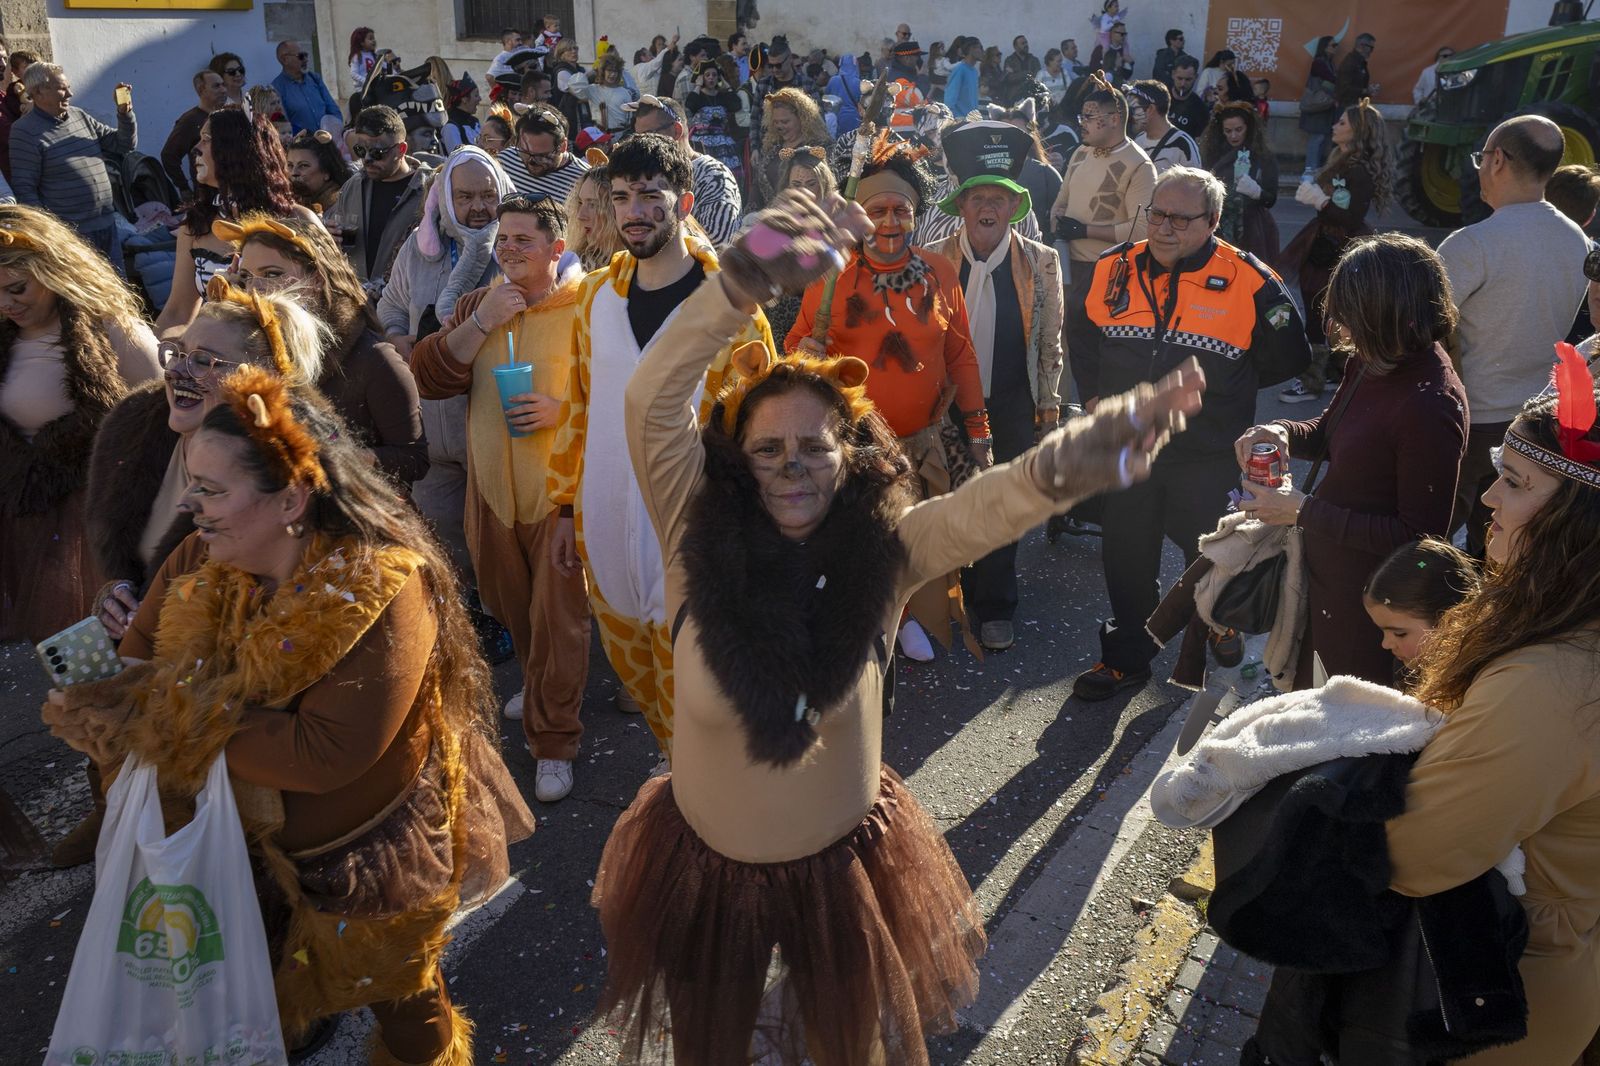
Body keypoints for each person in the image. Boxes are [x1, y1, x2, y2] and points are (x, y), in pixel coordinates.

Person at [593, 182, 1205, 1066]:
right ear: (735, 462)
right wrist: (745, 277)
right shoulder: (694, 529)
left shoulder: (887, 550)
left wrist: (1086, 453)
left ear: (850, 456)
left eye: (815, 446)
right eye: (768, 449)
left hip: (843, 871)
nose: (793, 466)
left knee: (851, 1048)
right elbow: (651, 400)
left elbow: (985, 509)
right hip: (706, 872)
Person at [43, 364, 534, 1066]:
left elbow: (323, 753)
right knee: (260, 994)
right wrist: (100, 708)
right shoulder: (198, 557)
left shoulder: (383, 585)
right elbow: (136, 662)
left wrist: (156, 718)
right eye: (192, 483)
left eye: (212, 489)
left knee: (403, 998)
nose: (190, 504)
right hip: (231, 848)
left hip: (363, 857)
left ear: (292, 499)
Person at [1375, 377, 1600, 1064]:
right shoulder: (1565, 632)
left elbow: (1415, 852)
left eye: (1516, 482)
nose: (1489, 498)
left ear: (1582, 520)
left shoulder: (1555, 682)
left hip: (1501, 998)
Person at [75, 282, 328, 870]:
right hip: (148, 667)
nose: (179, 371)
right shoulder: (135, 425)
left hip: (228, 699)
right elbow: (114, 540)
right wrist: (115, 591)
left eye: (207, 361)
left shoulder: (287, 469)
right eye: (178, 353)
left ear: (262, 381)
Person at [547, 133, 774, 770]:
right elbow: (577, 407)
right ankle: (677, 762)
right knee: (637, 670)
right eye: (621, 197)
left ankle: (705, 782)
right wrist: (564, 509)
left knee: (705, 681)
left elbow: (760, 433)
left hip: (694, 532)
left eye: (651, 195)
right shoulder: (595, 298)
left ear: (685, 201)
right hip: (607, 526)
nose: (634, 211)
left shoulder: (731, 307)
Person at [1074, 168, 1309, 700]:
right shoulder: (1113, 267)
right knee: (1126, 558)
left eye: (1181, 219)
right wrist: (1092, 398)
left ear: (1213, 220)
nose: (1164, 228)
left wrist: (1225, 392)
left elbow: (1289, 355)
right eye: (1156, 214)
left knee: (1210, 555)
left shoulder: (1249, 279)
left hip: (1206, 454)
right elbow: (1082, 336)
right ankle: (1127, 659)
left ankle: (1216, 629)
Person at [410, 196, 591, 803]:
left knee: (559, 620)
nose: (510, 249)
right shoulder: (475, 306)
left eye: (523, 240)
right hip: (489, 494)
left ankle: (554, 740)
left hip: (558, 497)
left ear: (555, 249)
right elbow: (430, 376)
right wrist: (483, 320)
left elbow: (622, 396)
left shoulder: (587, 310)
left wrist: (561, 411)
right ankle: (540, 683)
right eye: (503, 239)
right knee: (513, 608)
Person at [788, 135, 993, 660]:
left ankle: (906, 617)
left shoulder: (940, 272)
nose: (889, 221)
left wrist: (978, 431)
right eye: (876, 210)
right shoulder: (830, 275)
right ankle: (868, 623)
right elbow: (794, 349)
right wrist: (806, 354)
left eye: (900, 210)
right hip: (855, 446)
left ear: (916, 214)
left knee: (913, 540)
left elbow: (961, 356)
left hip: (922, 443)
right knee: (861, 542)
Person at [1236, 233, 1466, 686]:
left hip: (1371, 608)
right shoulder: (1375, 358)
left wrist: (1303, 510)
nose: (1340, 328)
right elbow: (1332, 429)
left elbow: (1419, 538)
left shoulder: (1430, 403)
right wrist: (1282, 430)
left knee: (1340, 715)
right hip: (1328, 582)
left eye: (1350, 317)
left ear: (1386, 315)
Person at [927, 120, 1065, 652]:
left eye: (999, 198)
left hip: (1011, 400)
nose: (988, 207)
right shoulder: (933, 259)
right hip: (945, 405)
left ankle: (996, 604)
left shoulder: (1042, 262)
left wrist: (1048, 410)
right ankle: (948, 593)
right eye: (978, 197)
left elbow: (1050, 344)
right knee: (949, 498)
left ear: (1014, 207)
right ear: (961, 206)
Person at [0, 203, 160, 648]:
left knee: (98, 652)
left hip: (91, 522)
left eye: (17, 288)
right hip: (19, 513)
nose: (6, 304)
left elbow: (162, 420)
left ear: (52, 269)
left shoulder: (113, 329)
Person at [1440, 115, 1590, 558]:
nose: (1480, 168)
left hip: (1467, 420)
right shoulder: (1577, 241)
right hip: (1536, 423)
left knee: (1428, 544)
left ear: (1498, 161)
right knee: (1502, 551)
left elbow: (1420, 328)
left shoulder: (1472, 244)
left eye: (1482, 158)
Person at [378, 147, 512, 584]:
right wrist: (397, 336)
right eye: (465, 196)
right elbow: (391, 304)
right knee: (442, 540)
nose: (479, 208)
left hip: (491, 422)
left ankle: (501, 613)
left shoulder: (515, 246)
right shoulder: (420, 249)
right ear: (444, 198)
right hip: (432, 426)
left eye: (488, 195)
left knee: (501, 541)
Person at [223, 214, 429, 488]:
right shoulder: (245, 347)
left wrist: (332, 458)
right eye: (246, 276)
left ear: (317, 279)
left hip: (350, 506)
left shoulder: (374, 358)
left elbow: (414, 459)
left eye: (272, 274)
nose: (255, 288)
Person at [155, 109, 321, 334]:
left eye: (207, 139)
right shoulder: (195, 224)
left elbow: (333, 299)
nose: (196, 148)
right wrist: (154, 347)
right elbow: (178, 313)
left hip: (292, 344)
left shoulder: (297, 220)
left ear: (237, 149)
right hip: (220, 349)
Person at [1279, 98, 1394, 402]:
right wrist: (1316, 195)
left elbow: (1351, 217)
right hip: (1325, 241)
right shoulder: (1341, 159)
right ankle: (1333, 371)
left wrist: (1320, 201)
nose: (1334, 126)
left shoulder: (1359, 171)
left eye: (1342, 122)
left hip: (1338, 245)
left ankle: (1312, 380)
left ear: (1357, 131)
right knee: (1326, 308)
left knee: (1321, 309)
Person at [1050, 74, 1155, 403]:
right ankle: (1075, 408)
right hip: (1070, 266)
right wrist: (1058, 220)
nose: (1081, 123)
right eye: (1082, 116)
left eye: (1089, 117)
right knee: (1067, 345)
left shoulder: (1139, 165)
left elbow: (1142, 230)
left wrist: (1084, 231)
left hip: (1110, 273)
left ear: (1114, 119)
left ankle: (1103, 411)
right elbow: (1061, 201)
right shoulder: (1081, 153)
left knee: (1100, 351)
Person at [10, 63, 135, 273]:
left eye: (68, 87)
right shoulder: (24, 132)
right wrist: (50, 234)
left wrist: (124, 113)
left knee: (117, 287)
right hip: (72, 235)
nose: (70, 93)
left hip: (106, 224)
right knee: (87, 290)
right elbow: (25, 190)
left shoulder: (79, 116)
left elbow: (123, 144)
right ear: (38, 92)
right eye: (62, 89)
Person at [327, 105, 432, 295]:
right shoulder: (353, 186)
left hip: (404, 301)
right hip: (357, 299)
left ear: (401, 149)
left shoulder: (428, 190)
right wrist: (329, 236)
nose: (367, 159)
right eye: (360, 150)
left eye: (377, 152)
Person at [630, 94, 742, 247]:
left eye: (648, 136)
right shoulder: (651, 175)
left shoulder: (714, 176)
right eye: (637, 138)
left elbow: (717, 245)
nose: (641, 146)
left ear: (677, 131)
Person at [1362, 538, 1478, 678]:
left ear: (1451, 620)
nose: (1385, 644)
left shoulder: (1480, 677)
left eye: (1400, 634)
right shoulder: (1404, 671)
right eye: (1382, 631)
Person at [759, 149, 838, 342]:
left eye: (811, 184)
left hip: (824, 318)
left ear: (824, 184)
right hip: (781, 320)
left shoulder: (838, 221)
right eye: (796, 184)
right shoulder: (775, 220)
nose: (804, 192)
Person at [1201, 101, 1280, 263]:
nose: (1233, 136)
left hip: (1252, 226)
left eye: (1239, 130)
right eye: (1228, 131)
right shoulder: (1213, 154)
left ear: (1248, 128)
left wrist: (1256, 192)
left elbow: (1271, 199)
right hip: (1220, 222)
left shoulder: (1263, 156)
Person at [498, 103, 591, 205]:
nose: (532, 161)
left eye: (541, 155)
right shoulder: (504, 161)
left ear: (563, 146)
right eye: (525, 152)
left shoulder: (585, 179)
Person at [751, 87, 828, 209]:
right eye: (776, 122)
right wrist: (751, 211)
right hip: (769, 216)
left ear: (802, 119)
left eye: (785, 122)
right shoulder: (772, 147)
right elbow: (757, 185)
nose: (779, 126)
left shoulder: (820, 147)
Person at [160, 69, 227, 195]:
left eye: (223, 85)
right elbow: (169, 155)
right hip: (209, 195)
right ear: (202, 90)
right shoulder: (190, 121)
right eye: (216, 86)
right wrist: (184, 187)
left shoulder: (227, 116)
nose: (223, 90)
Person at [683, 59, 746, 184]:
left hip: (722, 143)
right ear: (702, 78)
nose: (711, 78)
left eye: (714, 75)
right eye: (707, 75)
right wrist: (698, 86)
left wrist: (727, 86)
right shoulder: (698, 96)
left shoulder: (722, 96)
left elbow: (736, 105)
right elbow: (690, 105)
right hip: (701, 143)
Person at [1127, 79, 1199, 174]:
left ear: (1150, 109)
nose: (1129, 116)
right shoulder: (1138, 140)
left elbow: (1195, 182)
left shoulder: (1183, 145)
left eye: (1133, 109)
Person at [272, 40, 342, 135]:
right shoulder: (277, 89)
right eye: (301, 56)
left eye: (306, 55)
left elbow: (333, 109)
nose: (306, 60)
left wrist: (336, 131)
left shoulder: (315, 79)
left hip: (328, 139)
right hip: (303, 142)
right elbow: (283, 124)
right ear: (285, 60)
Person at [562, 165, 624, 271]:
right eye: (580, 202)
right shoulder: (571, 265)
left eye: (592, 205)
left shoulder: (638, 267)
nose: (580, 215)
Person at [1298, 36, 1340, 178]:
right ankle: (1309, 170)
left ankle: (1314, 170)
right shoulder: (1319, 63)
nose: (1335, 48)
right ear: (1324, 47)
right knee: (1317, 139)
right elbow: (1331, 80)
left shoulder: (1329, 63)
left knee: (1321, 139)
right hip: (1317, 107)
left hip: (1323, 107)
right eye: (1333, 45)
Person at [570, 51, 637, 137]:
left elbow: (630, 118)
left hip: (620, 135)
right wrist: (591, 73)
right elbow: (575, 86)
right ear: (603, 71)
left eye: (615, 71)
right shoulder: (593, 90)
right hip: (599, 135)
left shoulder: (624, 92)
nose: (612, 75)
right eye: (609, 70)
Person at [285, 128, 351, 214]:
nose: (294, 172)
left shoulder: (342, 207)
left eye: (303, 165)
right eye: (290, 165)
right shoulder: (290, 201)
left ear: (326, 171)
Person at [1166, 56, 1208, 139]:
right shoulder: (1159, 97)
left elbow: (1199, 139)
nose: (1183, 84)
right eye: (1179, 78)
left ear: (1196, 77)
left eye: (1188, 79)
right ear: (1173, 74)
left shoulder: (1201, 109)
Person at [1336, 33, 1378, 109]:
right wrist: (1366, 90)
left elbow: (1359, 84)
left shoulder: (1360, 62)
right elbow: (1344, 89)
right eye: (1371, 48)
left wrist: (1369, 90)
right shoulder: (1350, 62)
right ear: (1362, 46)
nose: (1371, 51)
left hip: (1356, 106)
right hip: (1348, 107)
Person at [442, 74, 482, 151]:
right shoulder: (451, 126)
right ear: (464, 99)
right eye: (476, 95)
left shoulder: (474, 121)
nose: (480, 99)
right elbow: (457, 156)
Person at [945, 38, 982, 119]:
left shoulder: (974, 72)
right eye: (978, 47)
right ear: (970, 49)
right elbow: (950, 99)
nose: (981, 51)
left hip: (972, 120)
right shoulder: (960, 69)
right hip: (960, 120)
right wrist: (955, 119)